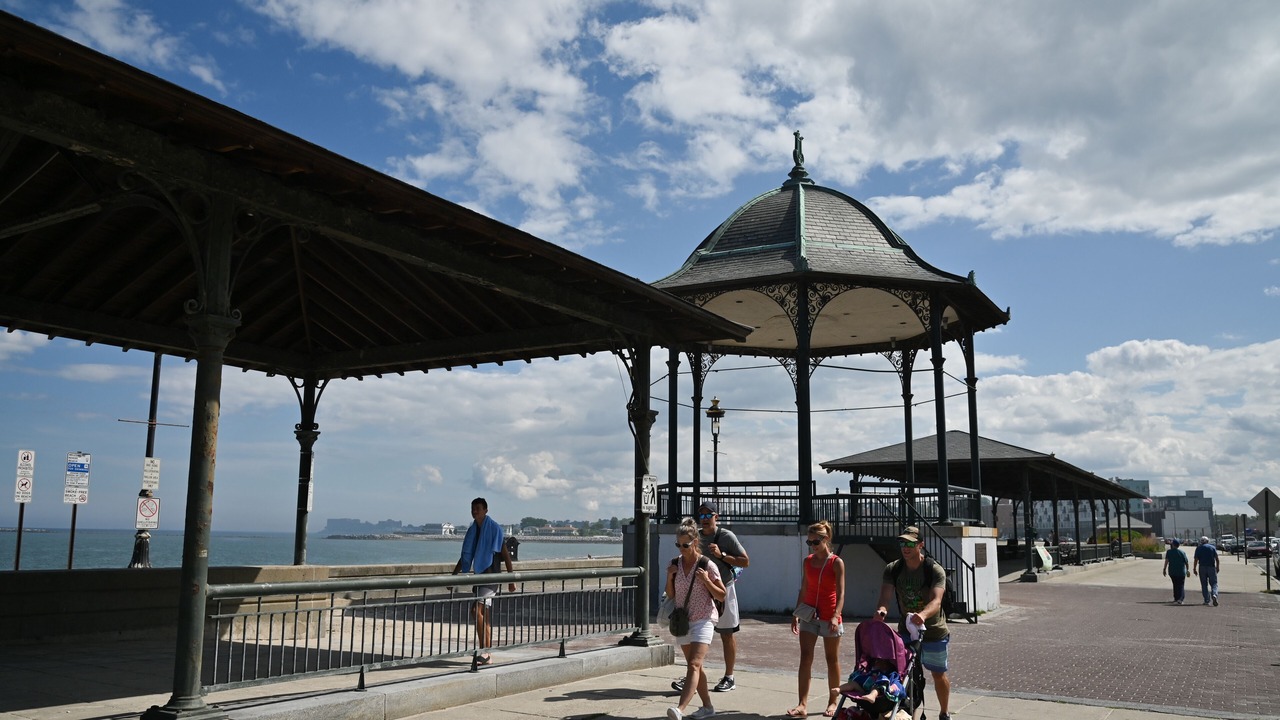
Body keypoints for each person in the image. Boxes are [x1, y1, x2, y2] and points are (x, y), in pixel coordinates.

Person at [671, 501, 749, 695]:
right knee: (694, 635)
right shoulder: (694, 536)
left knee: (726, 633)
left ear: (717, 517)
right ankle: (693, 675)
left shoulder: (726, 536)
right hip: (699, 593)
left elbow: (745, 561)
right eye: (702, 516)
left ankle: (729, 676)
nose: (705, 519)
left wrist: (721, 555)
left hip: (723, 589)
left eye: (709, 515)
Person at [875, 526, 952, 720]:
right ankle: (908, 714)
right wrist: (882, 610)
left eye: (910, 543)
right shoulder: (893, 568)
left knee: (938, 674)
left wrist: (923, 615)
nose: (905, 547)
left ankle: (944, 712)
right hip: (907, 631)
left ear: (920, 545)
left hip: (933, 630)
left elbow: (936, 600)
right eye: (902, 543)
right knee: (905, 676)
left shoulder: (933, 569)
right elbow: (885, 597)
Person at [665, 517, 727, 720]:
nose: (681, 548)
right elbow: (671, 595)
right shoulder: (675, 563)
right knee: (697, 666)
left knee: (693, 664)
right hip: (683, 620)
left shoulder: (706, 565)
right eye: (678, 544)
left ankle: (680, 709)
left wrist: (707, 581)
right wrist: (669, 576)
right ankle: (708, 707)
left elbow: (722, 594)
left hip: (704, 618)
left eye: (685, 544)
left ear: (695, 542)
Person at [787, 520, 845, 718]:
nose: (812, 545)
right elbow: (803, 588)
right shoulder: (808, 561)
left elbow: (841, 592)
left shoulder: (836, 562)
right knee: (805, 658)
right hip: (809, 614)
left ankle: (833, 701)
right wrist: (796, 613)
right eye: (809, 542)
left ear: (826, 539)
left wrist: (836, 616)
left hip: (829, 616)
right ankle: (802, 704)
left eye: (816, 542)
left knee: (831, 659)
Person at [449, 497, 516, 665]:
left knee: (475, 611)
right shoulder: (474, 530)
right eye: (473, 508)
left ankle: (484, 651)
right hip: (480, 576)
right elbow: (465, 555)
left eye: (478, 508)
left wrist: (511, 578)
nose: (475, 511)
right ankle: (487, 654)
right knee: (484, 615)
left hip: (491, 576)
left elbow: (505, 554)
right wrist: (454, 575)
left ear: (486, 510)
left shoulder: (493, 529)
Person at [838, 657, 907, 717]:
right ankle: (839, 688)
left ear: (886, 665)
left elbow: (897, 686)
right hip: (864, 691)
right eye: (875, 661)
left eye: (879, 661)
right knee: (853, 683)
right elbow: (862, 678)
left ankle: (872, 696)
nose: (875, 662)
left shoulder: (891, 675)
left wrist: (891, 688)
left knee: (878, 686)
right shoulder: (871, 672)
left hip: (880, 694)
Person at [1192, 535, 1220, 606]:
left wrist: (1194, 568)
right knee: (1214, 583)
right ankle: (1214, 594)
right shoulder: (1212, 548)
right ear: (1208, 541)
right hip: (1211, 567)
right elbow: (1217, 558)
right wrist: (1217, 567)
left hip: (1202, 567)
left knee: (1204, 584)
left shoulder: (1198, 548)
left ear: (1201, 542)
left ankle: (1206, 600)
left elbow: (1196, 560)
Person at [1162, 537, 1190, 604]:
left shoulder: (1169, 552)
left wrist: (1164, 569)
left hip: (1172, 571)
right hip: (1181, 571)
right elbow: (1186, 562)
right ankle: (1180, 599)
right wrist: (1187, 570)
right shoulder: (1182, 552)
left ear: (1173, 545)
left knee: (1175, 584)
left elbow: (1166, 561)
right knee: (1181, 585)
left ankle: (1176, 598)